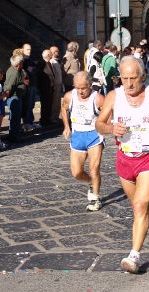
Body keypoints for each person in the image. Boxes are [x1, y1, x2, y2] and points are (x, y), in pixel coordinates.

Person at [95, 55, 149, 273]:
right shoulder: (114, 97)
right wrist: (111, 129)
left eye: (133, 78)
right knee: (138, 204)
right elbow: (99, 123)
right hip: (125, 158)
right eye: (124, 78)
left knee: (139, 206)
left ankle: (134, 256)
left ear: (143, 76)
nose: (129, 83)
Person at [61, 71, 105, 212]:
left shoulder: (97, 98)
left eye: (83, 88)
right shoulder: (70, 96)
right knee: (76, 172)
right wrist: (67, 126)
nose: (80, 91)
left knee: (94, 168)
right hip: (77, 135)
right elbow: (63, 108)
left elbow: (107, 114)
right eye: (77, 88)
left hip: (94, 136)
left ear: (90, 85)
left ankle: (95, 198)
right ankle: (91, 182)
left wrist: (104, 125)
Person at [4, 54, 26, 142]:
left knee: (15, 117)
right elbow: (9, 86)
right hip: (14, 97)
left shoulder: (14, 70)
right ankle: (14, 136)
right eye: (21, 62)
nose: (23, 64)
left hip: (16, 96)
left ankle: (14, 135)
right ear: (18, 63)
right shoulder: (14, 72)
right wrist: (6, 95)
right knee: (15, 118)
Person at [37, 49, 55, 127]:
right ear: (48, 55)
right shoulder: (42, 63)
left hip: (49, 87)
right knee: (45, 105)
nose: (51, 55)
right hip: (44, 88)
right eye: (50, 54)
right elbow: (39, 74)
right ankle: (44, 121)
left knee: (49, 104)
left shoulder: (49, 63)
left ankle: (47, 119)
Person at [50, 45, 63, 123]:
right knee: (54, 102)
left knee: (58, 101)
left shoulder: (56, 61)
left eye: (57, 51)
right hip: (55, 84)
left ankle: (56, 117)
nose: (57, 53)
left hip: (59, 83)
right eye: (55, 51)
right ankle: (53, 117)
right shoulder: (52, 62)